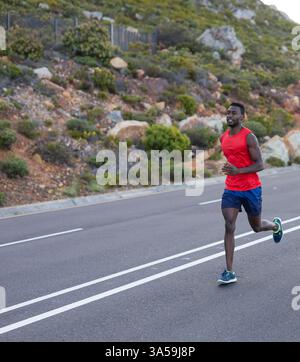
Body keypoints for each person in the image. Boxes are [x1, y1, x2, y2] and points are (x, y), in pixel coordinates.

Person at [218, 102, 283, 284]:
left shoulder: (249, 137)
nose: (229, 115)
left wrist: (238, 170)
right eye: (228, 112)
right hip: (231, 189)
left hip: (251, 188)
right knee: (229, 225)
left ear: (242, 117)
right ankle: (229, 271)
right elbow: (232, 160)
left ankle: (275, 226)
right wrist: (231, 170)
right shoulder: (223, 138)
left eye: (234, 113)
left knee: (256, 227)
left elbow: (260, 165)